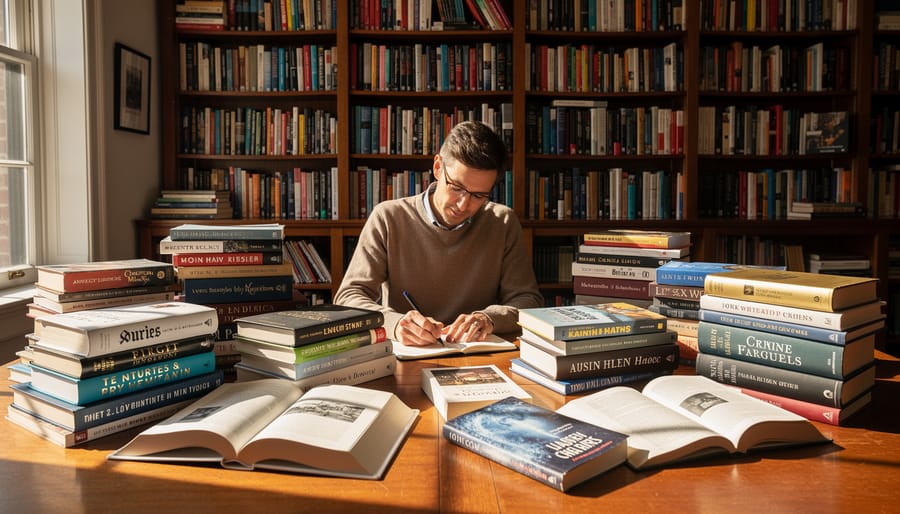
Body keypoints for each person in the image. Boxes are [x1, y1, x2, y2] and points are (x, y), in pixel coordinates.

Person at [334, 120, 543, 346]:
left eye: (478, 196)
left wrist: (488, 319)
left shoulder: (502, 222)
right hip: (407, 353)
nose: (463, 205)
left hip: (477, 355)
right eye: (456, 187)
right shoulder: (388, 217)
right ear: (437, 167)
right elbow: (348, 297)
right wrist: (395, 324)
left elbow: (528, 300)